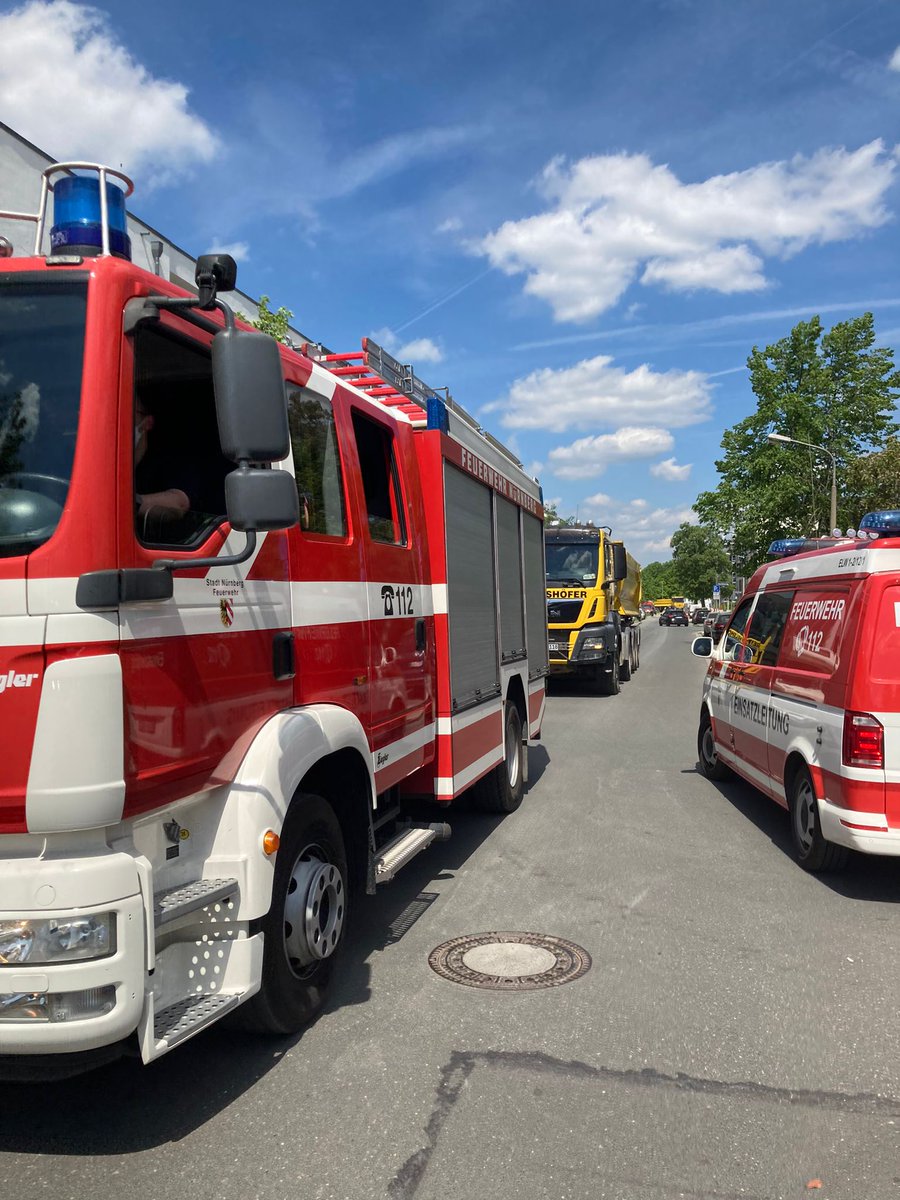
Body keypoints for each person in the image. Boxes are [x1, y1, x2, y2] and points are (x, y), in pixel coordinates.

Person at [134, 400, 190, 521]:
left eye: (129, 413)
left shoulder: (169, 460)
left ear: (147, 422)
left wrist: (131, 503)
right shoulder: (108, 465)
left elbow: (179, 502)